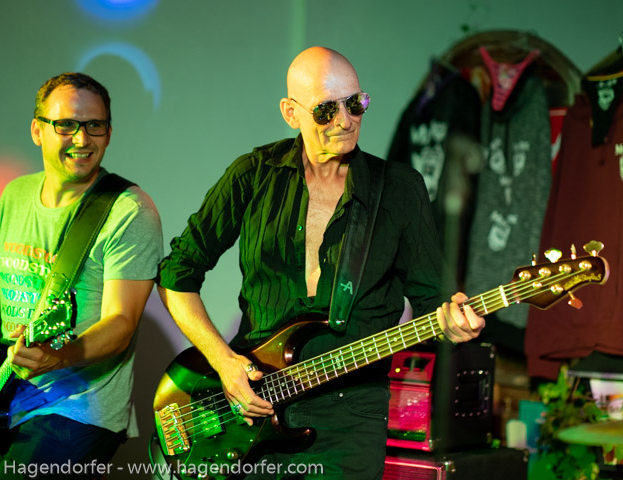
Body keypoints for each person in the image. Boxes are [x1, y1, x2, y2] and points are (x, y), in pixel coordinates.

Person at [156, 47, 484, 479]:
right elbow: (177, 274)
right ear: (291, 112)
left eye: (355, 104)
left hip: (352, 415)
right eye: (327, 110)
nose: (345, 120)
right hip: (251, 407)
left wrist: (454, 321)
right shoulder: (254, 174)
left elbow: (433, 300)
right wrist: (223, 362)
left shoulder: (399, 189)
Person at [0, 72, 163, 478]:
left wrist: (60, 356)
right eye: (66, 125)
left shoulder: (129, 211)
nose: (82, 139)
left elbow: (121, 322)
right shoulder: (16, 195)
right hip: (10, 401)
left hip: (79, 411)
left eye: (94, 125)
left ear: (109, 132)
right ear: (37, 130)